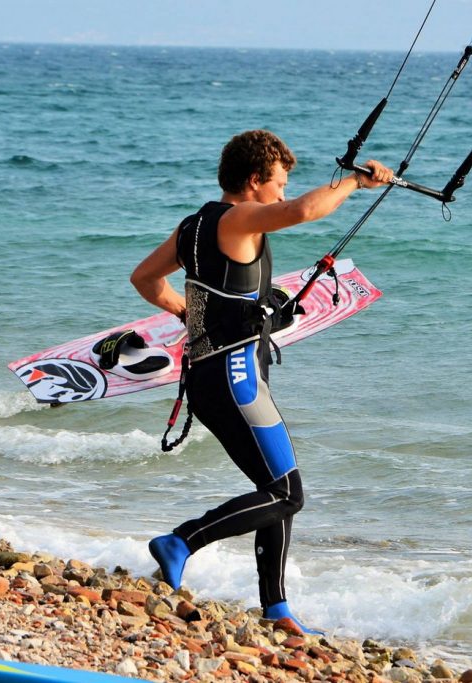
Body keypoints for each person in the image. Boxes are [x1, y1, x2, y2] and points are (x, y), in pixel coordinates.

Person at [130, 129, 391, 634]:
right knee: (288, 493)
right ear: (254, 180)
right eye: (279, 182)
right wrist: (357, 183)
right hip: (238, 378)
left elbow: (144, 278)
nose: (281, 193)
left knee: (273, 489)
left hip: (206, 378)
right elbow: (302, 211)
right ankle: (182, 541)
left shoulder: (192, 227)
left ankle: (277, 608)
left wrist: (187, 312)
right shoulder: (238, 218)